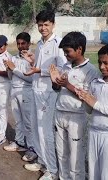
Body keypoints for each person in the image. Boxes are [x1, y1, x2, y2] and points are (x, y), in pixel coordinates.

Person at [22, 10, 67, 179]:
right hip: (36, 89)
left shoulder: (58, 43)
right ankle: (41, 161)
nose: (43, 28)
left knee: (45, 131)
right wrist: (33, 61)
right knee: (35, 127)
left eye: (46, 24)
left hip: (49, 92)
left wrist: (39, 70)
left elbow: (62, 69)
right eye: (40, 25)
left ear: (53, 24)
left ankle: (52, 170)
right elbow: (38, 67)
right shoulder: (40, 44)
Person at [50, 32, 100, 180]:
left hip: (77, 116)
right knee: (61, 153)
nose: (65, 55)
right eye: (64, 52)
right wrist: (55, 83)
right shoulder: (65, 66)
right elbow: (58, 89)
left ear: (79, 49)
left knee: (76, 156)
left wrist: (67, 84)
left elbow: (88, 97)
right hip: (60, 112)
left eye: (68, 51)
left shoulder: (90, 71)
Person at [75, 43, 108, 180]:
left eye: (106, 63)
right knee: (93, 173)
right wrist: (85, 99)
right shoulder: (96, 82)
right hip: (93, 132)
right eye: (99, 62)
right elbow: (90, 110)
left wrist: (95, 103)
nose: (102, 66)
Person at [3, 32, 36, 160]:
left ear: (28, 43)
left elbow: (31, 79)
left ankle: (32, 148)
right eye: (18, 44)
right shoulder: (14, 57)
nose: (21, 46)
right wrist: (9, 69)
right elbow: (11, 77)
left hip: (26, 92)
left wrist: (15, 69)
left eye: (23, 43)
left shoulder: (32, 58)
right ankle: (19, 142)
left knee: (28, 122)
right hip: (14, 90)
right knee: (18, 121)